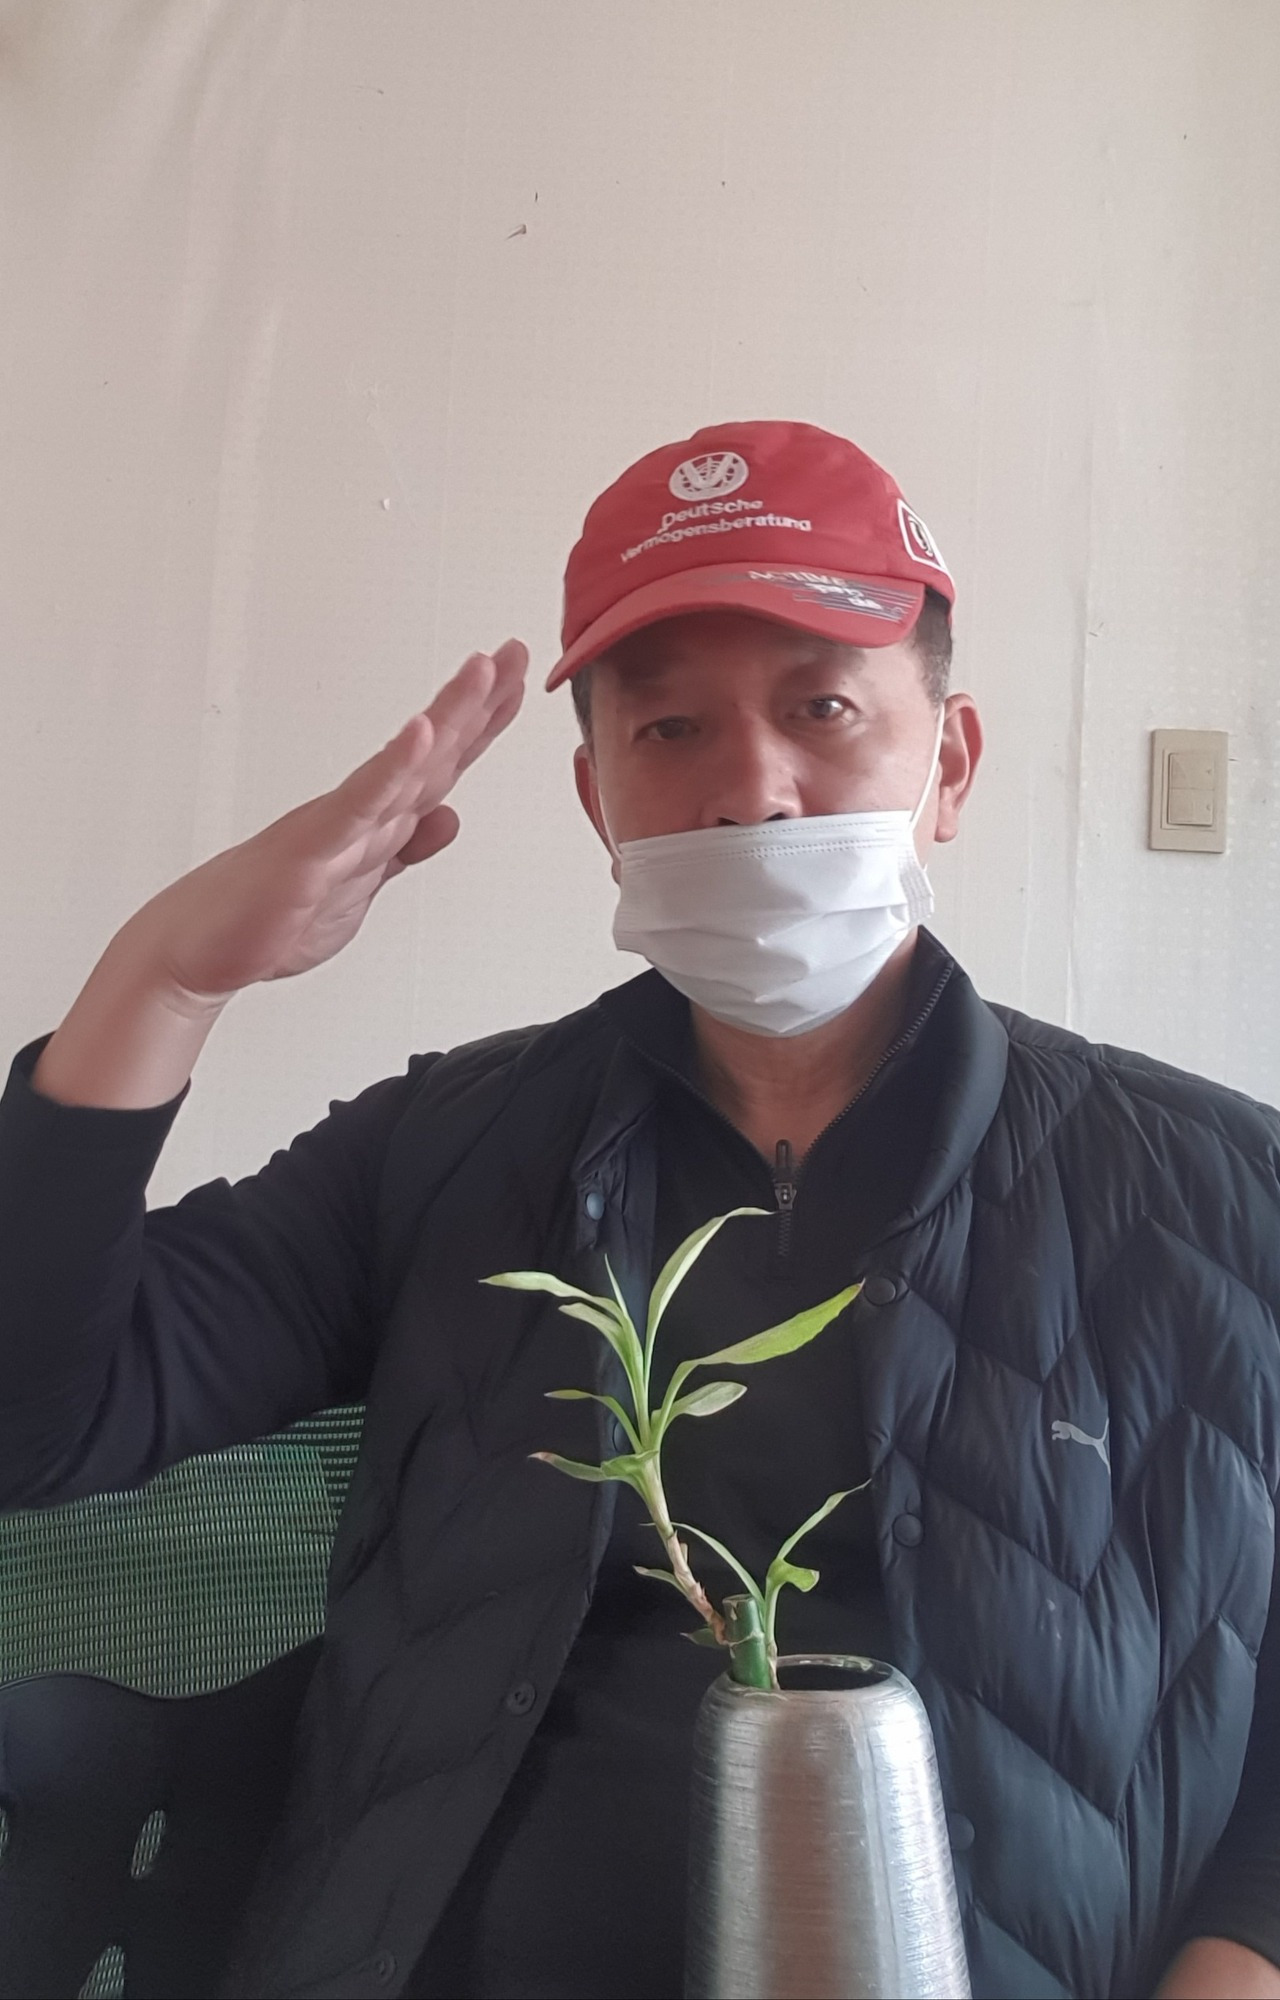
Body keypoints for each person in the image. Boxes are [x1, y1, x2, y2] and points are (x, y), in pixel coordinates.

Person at [1, 419, 1278, 2000]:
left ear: (948, 764)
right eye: (669, 729)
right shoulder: (444, 1150)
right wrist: (165, 981)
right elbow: (38, 1421)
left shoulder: (1223, 1192)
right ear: (598, 798)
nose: (750, 789)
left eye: (822, 708)